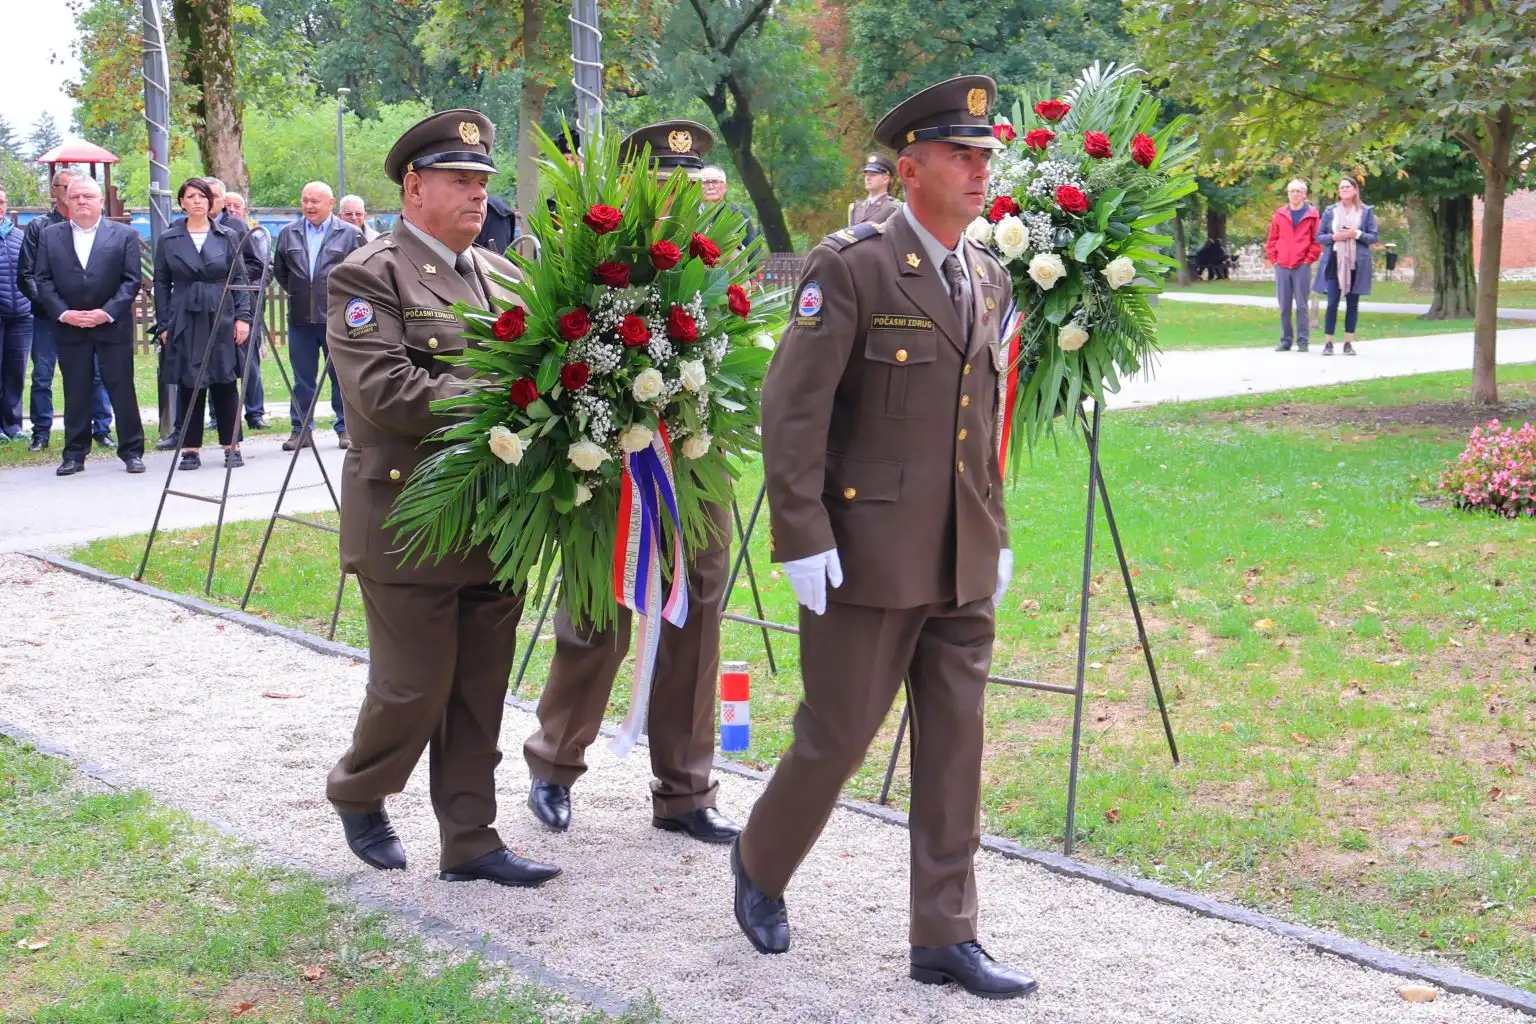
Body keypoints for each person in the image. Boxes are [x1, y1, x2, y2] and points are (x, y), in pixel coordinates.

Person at [729, 75, 1035, 1000]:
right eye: (961, 156)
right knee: (837, 736)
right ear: (909, 170)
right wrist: (800, 533)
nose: (980, 172)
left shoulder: (987, 273)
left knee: (955, 748)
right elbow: (794, 411)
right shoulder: (852, 266)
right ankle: (761, 860)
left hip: (959, 556)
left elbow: (978, 423)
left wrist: (994, 530)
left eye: (986, 157)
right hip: (864, 555)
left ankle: (945, 933)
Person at [324, 108, 559, 889]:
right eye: (459, 180)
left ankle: (471, 840)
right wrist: (504, 396)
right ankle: (359, 790)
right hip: (408, 518)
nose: (477, 195)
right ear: (414, 188)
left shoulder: (502, 275)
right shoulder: (370, 274)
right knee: (413, 688)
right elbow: (386, 391)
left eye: (482, 181)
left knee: (479, 692)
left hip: (495, 517)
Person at [522, 120, 741, 847]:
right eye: (667, 183)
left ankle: (686, 791)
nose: (682, 195)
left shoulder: (718, 258)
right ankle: (555, 764)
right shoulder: (598, 256)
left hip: (698, 462)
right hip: (611, 461)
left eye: (692, 181)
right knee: (598, 610)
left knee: (696, 614)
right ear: (638, 187)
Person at [31, 176, 145, 476]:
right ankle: (74, 454)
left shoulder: (124, 235)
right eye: (76, 196)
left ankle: (132, 451)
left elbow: (131, 280)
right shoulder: (50, 236)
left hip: (111, 326)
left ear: (100, 201)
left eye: (88, 196)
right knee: (76, 391)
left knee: (122, 389)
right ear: (66, 201)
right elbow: (42, 279)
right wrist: (63, 313)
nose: (81, 201)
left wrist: (106, 313)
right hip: (70, 326)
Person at [152, 178, 253, 470]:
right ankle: (190, 449)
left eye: (202, 196)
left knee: (225, 380)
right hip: (185, 315)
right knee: (190, 382)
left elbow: (239, 278)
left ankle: (231, 446)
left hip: (221, 312)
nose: (197, 201)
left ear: (211, 202)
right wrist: (164, 324)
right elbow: (161, 283)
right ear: (182, 202)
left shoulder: (227, 235)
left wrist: (243, 318)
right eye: (191, 196)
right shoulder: (169, 239)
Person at [19, 169, 114, 453]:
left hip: (87, 315)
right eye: (67, 187)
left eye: (81, 189)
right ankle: (41, 432)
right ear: (55, 191)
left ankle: (102, 428)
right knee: (42, 376)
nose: (76, 193)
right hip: (49, 317)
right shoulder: (39, 227)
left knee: (95, 374)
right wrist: (56, 308)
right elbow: (27, 275)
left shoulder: (94, 226)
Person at [272, 181, 364, 450]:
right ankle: (300, 430)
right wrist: (302, 293)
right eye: (305, 200)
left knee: (341, 377)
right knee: (302, 379)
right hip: (300, 318)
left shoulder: (350, 234)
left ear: (330, 203)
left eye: (315, 201)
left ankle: (346, 428)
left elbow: (363, 273)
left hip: (337, 319)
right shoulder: (288, 234)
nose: (309, 206)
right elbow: (281, 272)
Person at [222, 190, 271, 429]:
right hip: (221, 304)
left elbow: (264, 268)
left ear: (245, 209)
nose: (231, 210)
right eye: (227, 205)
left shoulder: (256, 234)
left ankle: (254, 412)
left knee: (249, 360)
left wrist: (244, 285)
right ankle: (218, 415)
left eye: (236, 206)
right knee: (219, 360)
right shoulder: (217, 232)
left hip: (248, 304)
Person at [1313, 176, 1378, 356]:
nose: (1344, 190)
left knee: (1352, 303)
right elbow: (1319, 237)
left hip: (1357, 262)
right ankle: (1328, 343)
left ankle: (1348, 343)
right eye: (1341, 187)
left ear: (1355, 190)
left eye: (1347, 187)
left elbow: (1373, 237)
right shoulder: (1330, 211)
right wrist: (1334, 237)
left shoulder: (1365, 211)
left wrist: (1356, 234)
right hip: (1334, 260)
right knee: (1332, 302)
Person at [1266, 179, 1322, 353]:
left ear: (1305, 194)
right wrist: (1274, 259)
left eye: (1299, 191)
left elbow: (1316, 241)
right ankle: (1285, 340)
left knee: (1302, 305)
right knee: (1284, 305)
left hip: (1301, 266)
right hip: (1282, 265)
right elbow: (1272, 239)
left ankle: (1303, 340)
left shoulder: (1312, 215)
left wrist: (1308, 260)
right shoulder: (1280, 214)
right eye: (1292, 191)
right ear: (1288, 194)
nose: (1295, 194)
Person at [0, 188, 32, 440]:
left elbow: (31, 273)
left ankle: (13, 426)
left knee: (15, 372)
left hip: (21, 315)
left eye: (1, 202)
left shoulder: (19, 236)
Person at [698, 164, 758, 247]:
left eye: (715, 182)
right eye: (705, 182)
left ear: (725, 187)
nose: (710, 186)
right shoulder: (689, 213)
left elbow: (752, 250)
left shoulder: (739, 216)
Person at [847, 151, 902, 227]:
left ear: (886, 179)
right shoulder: (855, 207)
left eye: (873, 175)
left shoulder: (895, 208)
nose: (868, 178)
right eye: (866, 175)